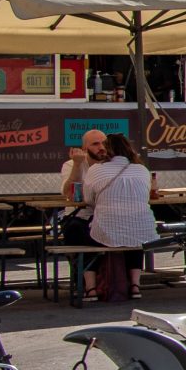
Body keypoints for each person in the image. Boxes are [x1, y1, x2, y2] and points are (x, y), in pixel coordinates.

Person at [84, 133, 157, 303]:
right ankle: (135, 285)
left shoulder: (96, 170)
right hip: (143, 230)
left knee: (85, 238)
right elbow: (145, 197)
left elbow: (88, 200)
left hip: (106, 231)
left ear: (107, 150)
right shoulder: (142, 170)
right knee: (134, 233)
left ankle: (91, 288)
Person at [59, 127, 109, 246]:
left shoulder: (113, 164)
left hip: (107, 216)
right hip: (80, 216)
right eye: (95, 144)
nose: (101, 148)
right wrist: (77, 164)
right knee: (75, 229)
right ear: (84, 148)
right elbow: (69, 195)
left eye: (104, 144)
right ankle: (81, 264)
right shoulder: (70, 165)